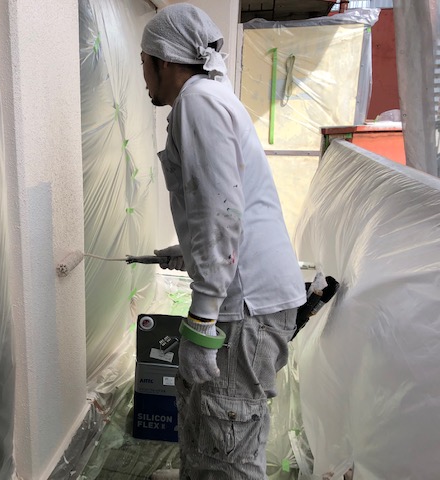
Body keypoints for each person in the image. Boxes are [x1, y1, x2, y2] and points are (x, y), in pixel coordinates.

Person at [141, 4, 306, 479]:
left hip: (244, 308)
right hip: (247, 297)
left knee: (228, 444)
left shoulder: (198, 103)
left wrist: (201, 318)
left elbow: (221, 212)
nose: (144, 77)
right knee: (209, 424)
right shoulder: (210, 98)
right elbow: (223, 203)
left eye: (144, 63)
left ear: (164, 60)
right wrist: (190, 251)